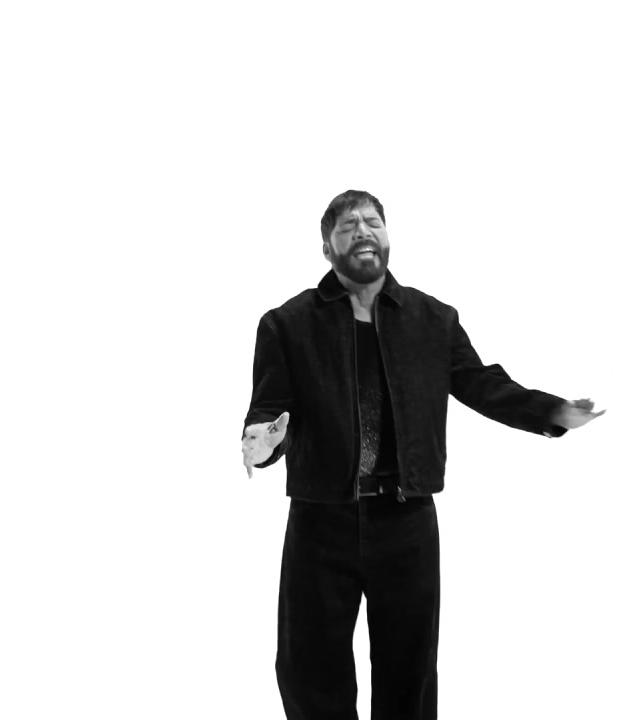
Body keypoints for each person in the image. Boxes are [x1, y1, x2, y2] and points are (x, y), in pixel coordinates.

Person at [241, 189, 605, 720]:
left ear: (387, 236)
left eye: (372, 221)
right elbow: (267, 413)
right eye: (347, 226)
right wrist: (261, 443)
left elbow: (483, 385)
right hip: (321, 520)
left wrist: (551, 411)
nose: (362, 230)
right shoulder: (287, 323)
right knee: (309, 668)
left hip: (406, 521)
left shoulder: (432, 319)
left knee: (409, 671)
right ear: (327, 248)